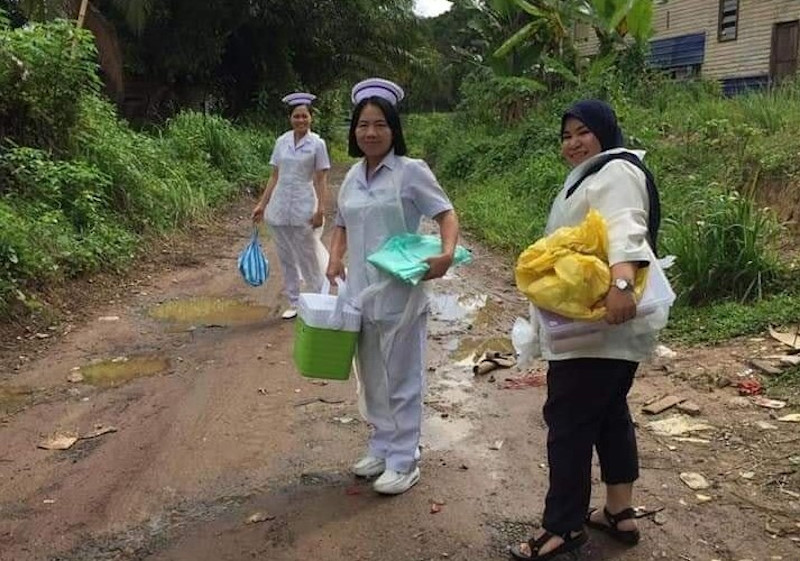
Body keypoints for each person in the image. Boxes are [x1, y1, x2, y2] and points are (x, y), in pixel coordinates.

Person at [511, 99, 661, 560]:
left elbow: (626, 229)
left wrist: (619, 283)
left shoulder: (615, 172)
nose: (573, 143)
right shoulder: (600, 172)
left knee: (569, 420)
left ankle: (562, 527)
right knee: (610, 412)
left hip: (596, 324)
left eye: (583, 132)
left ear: (605, 132)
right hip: (609, 329)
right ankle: (619, 511)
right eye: (566, 135)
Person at [326, 78, 460, 495]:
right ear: (354, 131)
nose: (370, 132)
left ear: (393, 128)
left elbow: (446, 214)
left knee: (402, 378)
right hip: (360, 294)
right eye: (363, 125)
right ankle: (382, 445)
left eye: (379, 124)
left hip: (401, 292)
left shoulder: (410, 172)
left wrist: (447, 254)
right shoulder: (352, 175)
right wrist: (334, 256)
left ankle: (405, 459)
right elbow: (343, 222)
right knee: (372, 377)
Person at [252, 92, 331, 319]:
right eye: (296, 116)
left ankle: (317, 299)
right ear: (290, 118)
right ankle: (295, 302)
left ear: (311, 118)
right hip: (279, 205)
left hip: (304, 204)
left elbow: (321, 178)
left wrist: (321, 209)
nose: (300, 120)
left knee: (307, 256)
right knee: (285, 257)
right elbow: (274, 176)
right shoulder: (281, 141)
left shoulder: (317, 144)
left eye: (304, 116)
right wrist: (262, 204)